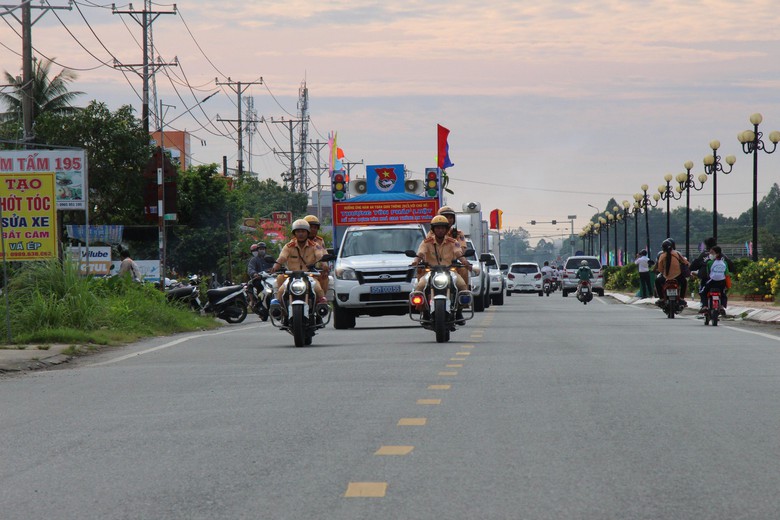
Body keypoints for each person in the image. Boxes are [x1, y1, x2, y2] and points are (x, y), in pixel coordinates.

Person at [411, 216, 471, 318]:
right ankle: (424, 311)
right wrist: (416, 261)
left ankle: (459, 312)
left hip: (450, 271)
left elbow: (458, 253)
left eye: (442, 228)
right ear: (433, 229)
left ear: (446, 229)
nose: (440, 230)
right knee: (419, 289)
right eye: (437, 228)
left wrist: (465, 262)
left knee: (462, 287)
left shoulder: (453, 242)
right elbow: (420, 253)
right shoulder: (426, 242)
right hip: (430, 272)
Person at [268, 219, 327, 308]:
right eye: (298, 231)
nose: (300, 234)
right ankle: (280, 309)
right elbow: (282, 257)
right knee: (280, 291)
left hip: (309, 276)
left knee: (318, 290)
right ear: (294, 233)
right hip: (291, 277)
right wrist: (276, 265)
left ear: (307, 233)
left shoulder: (315, 245)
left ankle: (321, 308)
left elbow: (320, 256)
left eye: (303, 231)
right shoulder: (288, 246)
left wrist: (324, 265)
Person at [690, 237, 734, 310]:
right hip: (721, 281)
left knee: (702, 291)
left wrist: (692, 270)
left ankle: (704, 306)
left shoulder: (704, 255)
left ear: (706, 245)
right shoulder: (722, 257)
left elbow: (695, 265)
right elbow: (731, 267)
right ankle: (722, 306)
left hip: (707, 280)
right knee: (723, 292)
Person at [435, 205, 470, 288]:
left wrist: (460, 257)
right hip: (434, 265)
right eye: (446, 217)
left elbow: (462, 249)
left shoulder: (457, 233)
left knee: (464, 270)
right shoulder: (432, 233)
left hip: (452, 265)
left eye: (451, 217)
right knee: (421, 275)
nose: (449, 220)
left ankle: (464, 293)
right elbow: (425, 249)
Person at [654, 238, 690, 305]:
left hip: (666, 278)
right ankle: (681, 298)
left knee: (657, 281)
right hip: (678, 277)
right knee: (684, 281)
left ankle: (661, 298)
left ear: (663, 248)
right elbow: (686, 262)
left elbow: (660, 269)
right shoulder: (677, 253)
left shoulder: (661, 255)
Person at [303, 215, 330, 296]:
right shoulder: (294, 241)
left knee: (325, 277)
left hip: (314, 271)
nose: (313, 229)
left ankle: (322, 299)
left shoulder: (319, 241)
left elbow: (323, 254)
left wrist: (325, 266)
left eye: (315, 227)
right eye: (310, 227)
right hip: (298, 271)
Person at [247, 242, 274, 314]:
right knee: (252, 284)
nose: (262, 250)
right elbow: (250, 269)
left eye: (263, 249)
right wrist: (254, 274)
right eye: (260, 249)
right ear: (258, 250)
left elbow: (275, 266)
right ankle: (255, 301)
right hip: (259, 279)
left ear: (265, 249)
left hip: (270, 278)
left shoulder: (269, 258)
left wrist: (275, 269)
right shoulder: (254, 260)